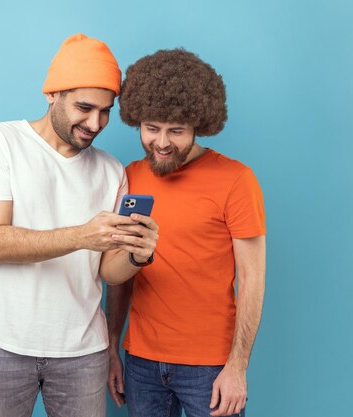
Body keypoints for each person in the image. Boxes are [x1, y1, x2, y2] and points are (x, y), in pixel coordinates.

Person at [0, 33, 158, 417]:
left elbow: (108, 272)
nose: (96, 122)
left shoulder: (110, 169)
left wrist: (137, 256)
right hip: (1, 345)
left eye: (106, 111)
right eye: (84, 107)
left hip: (83, 353)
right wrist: (82, 235)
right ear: (52, 94)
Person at [106, 49, 266, 417]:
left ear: (198, 125)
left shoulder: (236, 180)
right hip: (141, 362)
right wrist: (113, 346)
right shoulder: (130, 176)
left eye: (175, 131)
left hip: (209, 367)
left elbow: (252, 279)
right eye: (152, 128)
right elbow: (119, 275)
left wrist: (237, 367)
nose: (162, 142)